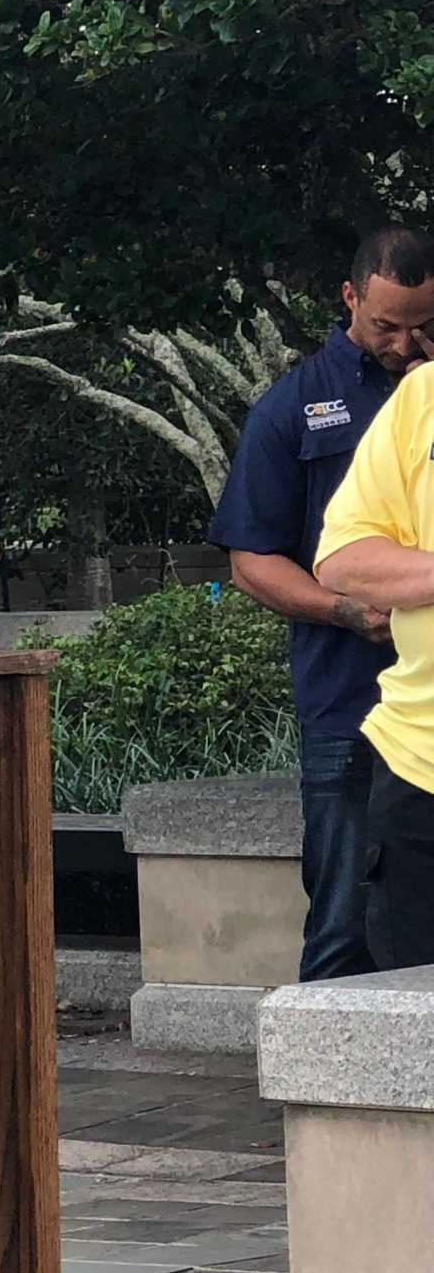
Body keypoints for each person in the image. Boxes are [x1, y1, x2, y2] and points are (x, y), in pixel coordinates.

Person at [212, 227, 434, 980]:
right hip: (349, 696)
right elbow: (251, 561)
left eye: (423, 325)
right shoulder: (296, 406)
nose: (406, 343)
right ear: (350, 298)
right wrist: (344, 611)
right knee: (344, 916)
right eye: (387, 326)